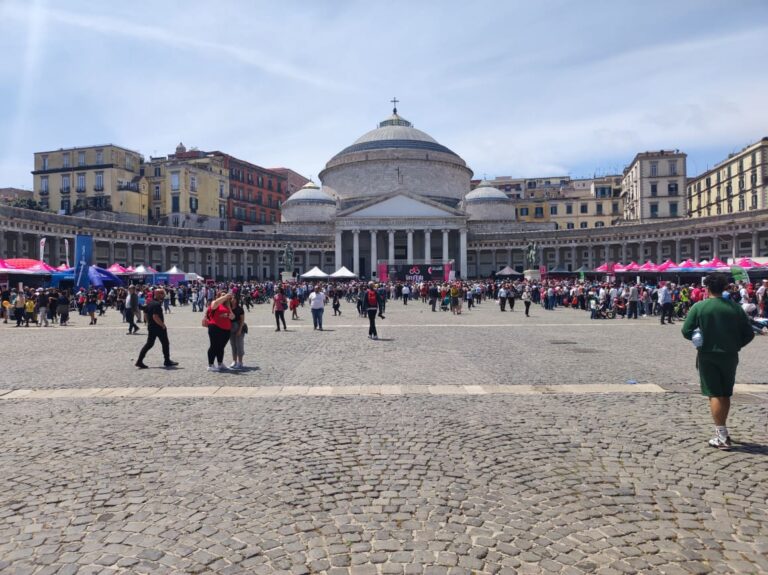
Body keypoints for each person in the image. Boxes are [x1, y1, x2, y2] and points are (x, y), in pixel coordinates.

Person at [682, 274, 754, 451]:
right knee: (725, 392)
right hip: (730, 355)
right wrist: (736, 344)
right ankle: (723, 429)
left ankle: (721, 435)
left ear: (707, 288)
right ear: (724, 288)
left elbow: (686, 330)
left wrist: (698, 337)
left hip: (708, 354)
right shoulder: (735, 308)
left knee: (714, 393)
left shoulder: (700, 307)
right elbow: (749, 333)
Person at [135, 288, 178, 369]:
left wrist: (148, 322)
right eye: (162, 293)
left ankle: (139, 361)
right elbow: (155, 316)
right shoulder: (156, 304)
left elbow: (145, 313)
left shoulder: (150, 303)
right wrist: (162, 325)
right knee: (165, 343)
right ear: (157, 294)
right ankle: (167, 361)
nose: (163, 295)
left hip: (151, 327)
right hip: (158, 327)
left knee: (149, 344)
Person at [206, 291, 234, 371]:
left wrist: (228, 308)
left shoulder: (227, 305)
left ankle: (220, 363)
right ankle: (210, 365)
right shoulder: (214, 302)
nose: (225, 297)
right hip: (215, 327)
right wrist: (225, 297)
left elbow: (232, 317)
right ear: (218, 296)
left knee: (221, 347)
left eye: (225, 295)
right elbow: (214, 305)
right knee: (213, 346)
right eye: (222, 295)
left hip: (226, 329)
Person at [229, 293, 246, 369]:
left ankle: (240, 362)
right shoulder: (228, 308)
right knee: (233, 345)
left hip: (239, 328)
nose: (232, 300)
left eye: (234, 298)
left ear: (236, 300)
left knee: (239, 345)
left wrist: (239, 330)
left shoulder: (240, 309)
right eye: (231, 298)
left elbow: (242, 321)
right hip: (231, 329)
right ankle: (234, 361)